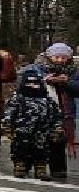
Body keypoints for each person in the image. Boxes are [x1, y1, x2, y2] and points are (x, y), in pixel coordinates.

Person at [2, 66, 65, 180]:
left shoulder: (47, 100)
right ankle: (20, 167)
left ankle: (40, 169)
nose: (32, 85)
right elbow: (9, 113)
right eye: (29, 83)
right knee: (20, 150)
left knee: (42, 151)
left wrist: (57, 128)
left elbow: (56, 115)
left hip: (42, 132)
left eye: (35, 83)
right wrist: (7, 126)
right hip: (21, 132)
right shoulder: (18, 98)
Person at [33, 41, 76, 182]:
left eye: (63, 58)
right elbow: (28, 83)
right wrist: (46, 80)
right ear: (50, 56)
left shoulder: (73, 70)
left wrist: (65, 82)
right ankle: (39, 169)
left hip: (64, 110)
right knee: (41, 140)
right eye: (57, 57)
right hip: (42, 109)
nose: (60, 60)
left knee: (59, 139)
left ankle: (58, 171)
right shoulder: (37, 68)